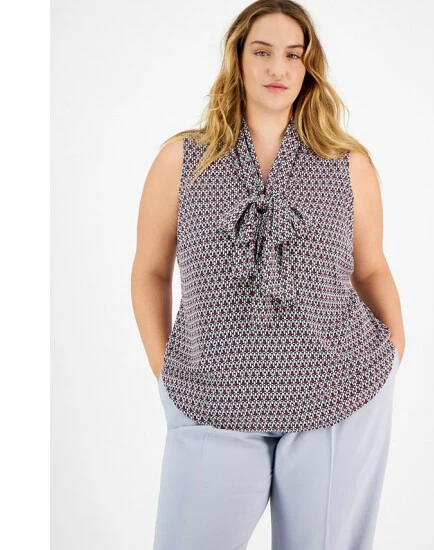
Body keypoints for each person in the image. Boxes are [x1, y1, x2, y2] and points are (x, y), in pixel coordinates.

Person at [131, 1, 405, 548]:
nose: (278, 68)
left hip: (337, 394)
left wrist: (394, 352)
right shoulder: (182, 159)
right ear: (238, 59)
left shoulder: (349, 165)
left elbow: (371, 267)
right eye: (262, 52)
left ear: (308, 68)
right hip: (211, 398)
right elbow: (150, 271)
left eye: (292, 55)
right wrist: (168, 376)